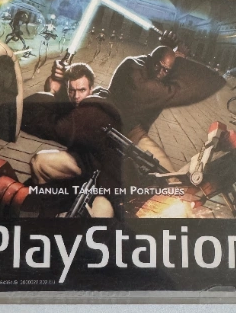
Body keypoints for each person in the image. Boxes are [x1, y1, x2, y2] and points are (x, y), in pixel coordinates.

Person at [108, 31, 225, 171]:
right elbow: (200, 84)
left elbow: (157, 64)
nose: (160, 73)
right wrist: (180, 61)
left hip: (127, 129)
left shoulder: (135, 64)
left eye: (166, 70)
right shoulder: (141, 78)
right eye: (158, 66)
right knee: (168, 175)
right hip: (121, 129)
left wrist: (169, 51)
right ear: (151, 60)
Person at [21, 60, 122, 216]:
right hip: (85, 163)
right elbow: (64, 106)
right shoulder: (85, 102)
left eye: (82, 90)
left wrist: (51, 92)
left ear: (91, 89)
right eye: (72, 91)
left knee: (97, 217)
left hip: (107, 179)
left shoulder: (92, 112)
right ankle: (46, 213)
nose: (76, 96)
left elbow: (47, 125)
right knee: (38, 162)